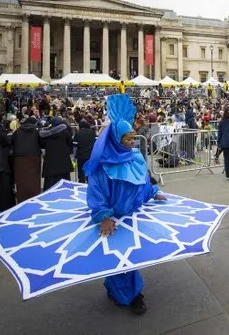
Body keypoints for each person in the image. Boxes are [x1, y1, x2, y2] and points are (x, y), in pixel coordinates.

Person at [85, 94, 166, 315]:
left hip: (132, 216)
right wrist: (104, 215)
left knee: (129, 258)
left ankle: (132, 293)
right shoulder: (103, 166)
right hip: (114, 218)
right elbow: (96, 192)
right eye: (128, 139)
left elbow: (139, 185)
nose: (132, 143)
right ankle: (127, 294)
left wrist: (153, 192)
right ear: (115, 139)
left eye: (132, 138)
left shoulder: (135, 157)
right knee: (117, 259)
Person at [12, 116, 42, 202]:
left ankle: (22, 198)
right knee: (34, 179)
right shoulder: (36, 132)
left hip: (20, 157)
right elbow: (41, 142)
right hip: (34, 156)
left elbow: (11, 141)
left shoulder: (18, 131)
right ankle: (34, 197)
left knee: (21, 179)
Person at [39, 116, 74, 190]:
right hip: (63, 161)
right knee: (65, 184)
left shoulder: (47, 133)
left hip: (50, 162)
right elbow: (70, 142)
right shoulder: (65, 132)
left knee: (50, 184)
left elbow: (42, 144)